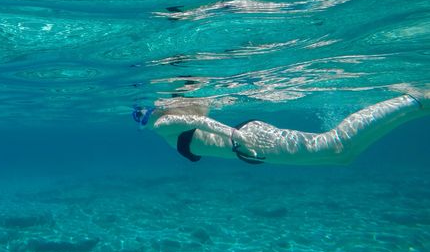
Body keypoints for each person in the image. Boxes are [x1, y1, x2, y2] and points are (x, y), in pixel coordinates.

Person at [132, 88, 429, 165]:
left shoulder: (164, 123)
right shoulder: (164, 126)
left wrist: (236, 136)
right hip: (246, 144)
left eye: (142, 112)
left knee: (335, 144)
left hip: (248, 139)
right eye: (138, 116)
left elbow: (197, 120)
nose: (143, 118)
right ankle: (418, 108)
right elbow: (196, 120)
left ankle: (412, 100)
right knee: (342, 157)